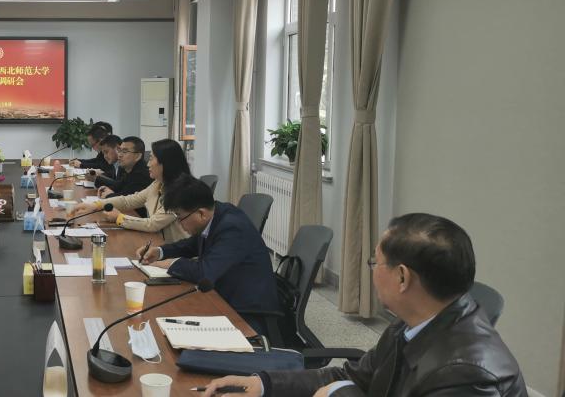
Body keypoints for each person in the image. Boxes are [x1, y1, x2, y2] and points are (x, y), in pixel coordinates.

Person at [199, 213, 527, 397]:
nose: (372, 271)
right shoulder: (415, 320)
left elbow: (348, 386)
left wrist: (337, 395)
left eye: (375, 262)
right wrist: (263, 384)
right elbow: (356, 374)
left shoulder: (466, 375)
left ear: (402, 277)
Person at [137, 174, 278, 333]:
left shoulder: (232, 228)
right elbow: (192, 244)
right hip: (224, 294)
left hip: (247, 313)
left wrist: (171, 263)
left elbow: (204, 273)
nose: (179, 223)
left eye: (180, 217)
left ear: (201, 214)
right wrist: (160, 251)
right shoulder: (216, 213)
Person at [69, 138, 190, 243]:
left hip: (176, 252)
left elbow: (153, 224)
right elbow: (129, 201)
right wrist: (95, 205)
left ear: (165, 163)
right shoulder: (158, 184)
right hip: (157, 242)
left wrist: (119, 218)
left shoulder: (180, 190)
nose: (148, 164)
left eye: (151, 159)